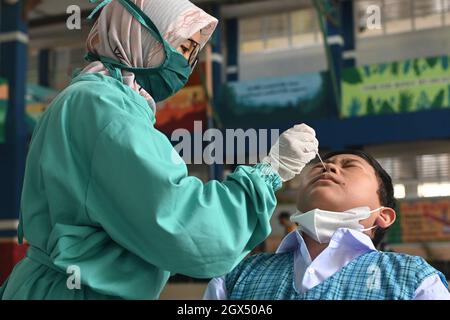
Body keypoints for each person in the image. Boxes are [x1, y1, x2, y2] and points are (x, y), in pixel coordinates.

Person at [0, 0, 319, 300]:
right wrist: (268, 173)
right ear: (142, 34)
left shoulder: (102, 98)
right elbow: (186, 227)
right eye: (183, 46)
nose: (187, 63)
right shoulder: (101, 106)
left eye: (194, 53)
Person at [204, 150, 450, 300]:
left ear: (383, 215)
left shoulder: (415, 279)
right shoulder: (236, 276)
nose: (329, 166)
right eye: (320, 165)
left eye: (349, 166)